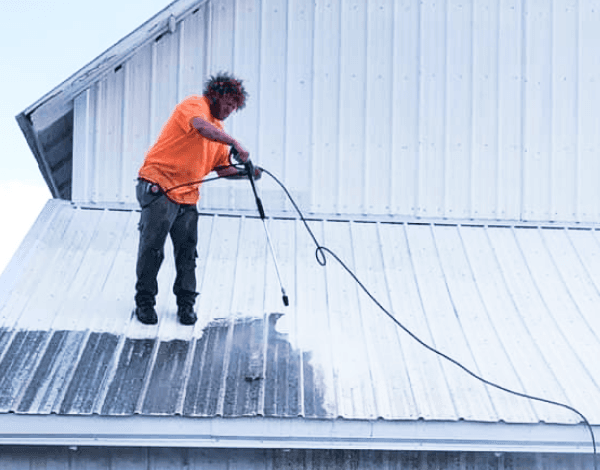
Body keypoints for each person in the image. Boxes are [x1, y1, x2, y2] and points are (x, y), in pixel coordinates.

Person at [134, 73, 260, 325]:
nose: (230, 110)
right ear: (217, 95)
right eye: (228, 104)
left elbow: (223, 169)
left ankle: (186, 305)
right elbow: (202, 127)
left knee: (188, 252)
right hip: (159, 185)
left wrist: (248, 174)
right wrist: (234, 142)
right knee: (153, 247)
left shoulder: (219, 135)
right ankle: (145, 302)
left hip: (187, 197)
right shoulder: (194, 106)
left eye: (235, 108)